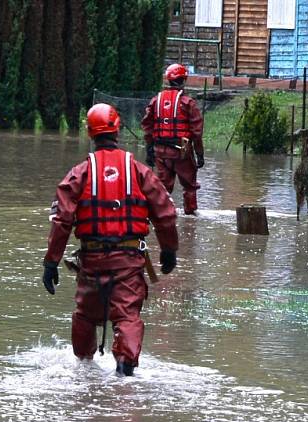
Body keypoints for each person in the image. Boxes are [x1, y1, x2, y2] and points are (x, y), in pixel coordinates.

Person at [42, 103, 178, 377]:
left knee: (85, 315)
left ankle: (83, 368)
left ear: (90, 133)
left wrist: (51, 263)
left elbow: (62, 221)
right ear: (117, 130)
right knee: (127, 317)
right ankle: (125, 370)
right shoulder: (139, 171)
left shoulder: (79, 173)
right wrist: (169, 250)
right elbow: (165, 213)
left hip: (92, 263)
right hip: (128, 263)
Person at [141, 63, 205, 215]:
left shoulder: (156, 101)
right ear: (183, 80)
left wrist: (150, 150)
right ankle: (190, 218)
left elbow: (147, 126)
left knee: (162, 187)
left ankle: (158, 215)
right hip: (182, 153)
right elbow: (196, 132)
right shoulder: (188, 103)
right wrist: (199, 154)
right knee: (189, 186)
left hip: (161, 153)